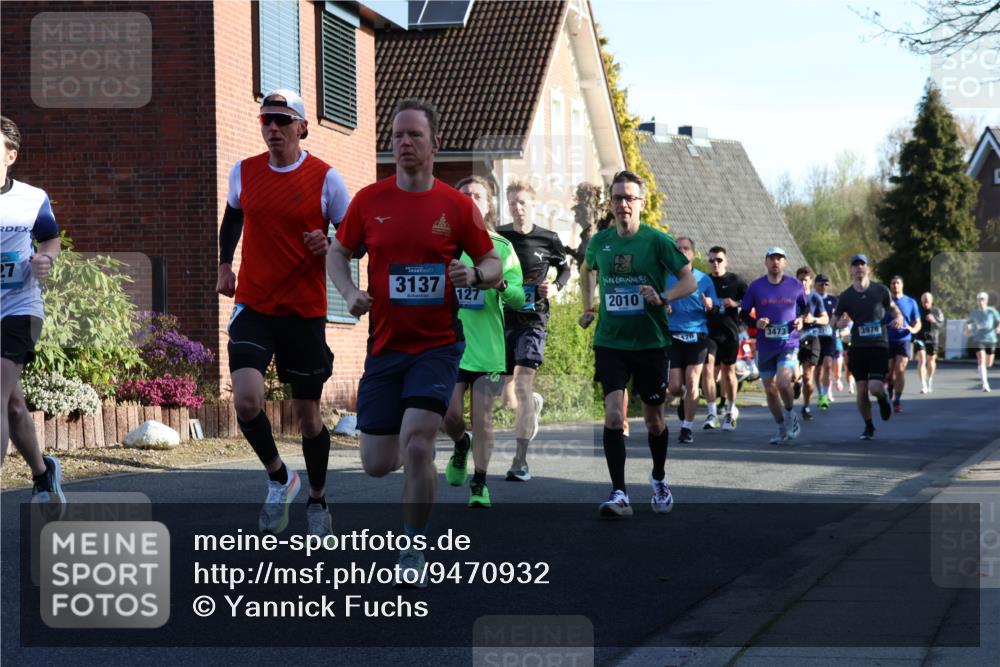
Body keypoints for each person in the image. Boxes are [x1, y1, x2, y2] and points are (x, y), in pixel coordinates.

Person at [328, 98, 500, 584]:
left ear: (434, 143)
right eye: (398, 135)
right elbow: (338, 254)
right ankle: (420, 475)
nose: (404, 143)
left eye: (414, 135)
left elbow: (489, 262)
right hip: (385, 348)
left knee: (418, 443)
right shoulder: (368, 201)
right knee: (376, 464)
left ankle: (413, 546)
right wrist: (348, 291)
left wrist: (474, 273)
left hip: (437, 346)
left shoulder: (457, 206)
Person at [217, 90, 349, 536]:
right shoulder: (244, 171)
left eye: (281, 120)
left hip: (303, 311)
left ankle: (317, 500)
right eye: (265, 120)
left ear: (302, 127)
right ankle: (279, 478)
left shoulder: (327, 179)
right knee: (247, 399)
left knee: (308, 419)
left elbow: (353, 243)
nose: (272, 127)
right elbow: (232, 217)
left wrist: (329, 245)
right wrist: (224, 266)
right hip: (253, 303)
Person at [579, 170, 695, 517]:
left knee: (654, 420)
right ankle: (619, 493)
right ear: (611, 204)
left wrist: (662, 295)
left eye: (630, 198)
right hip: (611, 343)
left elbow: (688, 281)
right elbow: (587, 270)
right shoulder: (600, 242)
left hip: (651, 343)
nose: (623, 204)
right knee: (615, 416)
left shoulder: (656, 241)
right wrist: (588, 306)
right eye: (617, 198)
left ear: (641, 203)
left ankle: (658, 478)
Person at [442, 175, 525, 507]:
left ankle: (479, 483)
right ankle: (461, 444)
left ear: (489, 205)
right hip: (448, 345)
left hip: (487, 349)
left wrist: (501, 285)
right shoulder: (444, 244)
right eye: (464, 195)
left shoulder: (501, 248)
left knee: (483, 418)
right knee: (447, 416)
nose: (470, 199)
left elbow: (521, 299)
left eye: (477, 195)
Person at [0, 116, 64, 507]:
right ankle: (43, 474)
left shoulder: (31, 198)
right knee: (12, 403)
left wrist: (45, 259)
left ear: (10, 155)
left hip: (20, 307)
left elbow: (51, 240)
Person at [496, 181, 570, 481]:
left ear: (533, 205)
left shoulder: (548, 238)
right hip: (503, 319)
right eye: (513, 202)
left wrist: (555, 285)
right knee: (507, 396)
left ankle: (520, 462)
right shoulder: (500, 236)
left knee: (523, 386)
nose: (518, 207)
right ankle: (533, 405)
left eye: (523, 202)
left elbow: (565, 268)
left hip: (534, 320)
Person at [833, 254, 905, 440]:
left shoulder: (880, 290)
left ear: (868, 269)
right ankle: (868, 425)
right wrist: (838, 323)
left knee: (874, 387)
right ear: (851, 270)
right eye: (855, 266)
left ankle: (883, 399)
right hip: (858, 347)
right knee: (862, 389)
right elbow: (834, 319)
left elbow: (893, 308)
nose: (859, 269)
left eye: (862, 265)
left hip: (878, 345)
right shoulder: (846, 296)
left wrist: (898, 317)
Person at [740, 247, 807, 445]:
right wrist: (756, 323)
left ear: (785, 262)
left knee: (783, 382)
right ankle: (780, 427)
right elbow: (743, 313)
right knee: (769, 389)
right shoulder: (756, 287)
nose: (775, 262)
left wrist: (802, 320)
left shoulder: (795, 285)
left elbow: (805, 308)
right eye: (771, 258)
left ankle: (790, 414)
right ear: (766, 262)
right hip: (765, 344)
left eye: (779, 259)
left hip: (789, 341)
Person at [665, 237, 718, 443]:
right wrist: (663, 306)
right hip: (673, 335)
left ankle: (686, 427)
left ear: (693, 254)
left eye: (686, 248)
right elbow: (656, 302)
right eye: (678, 249)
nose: (682, 251)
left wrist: (710, 306)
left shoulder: (704, 280)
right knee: (675, 387)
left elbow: (716, 309)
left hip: (697, 335)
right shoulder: (666, 277)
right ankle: (685, 398)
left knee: (692, 380)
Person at [705, 246, 748, 431]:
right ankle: (712, 413)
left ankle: (731, 409)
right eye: (712, 260)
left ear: (726, 261)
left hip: (729, 333)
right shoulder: (704, 280)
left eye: (719, 260)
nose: (715, 263)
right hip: (708, 332)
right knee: (708, 369)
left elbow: (750, 302)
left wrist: (735, 303)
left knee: (728, 372)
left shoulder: (736, 281)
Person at [793, 267, 829, 421]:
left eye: (806, 279)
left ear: (811, 281)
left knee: (809, 379)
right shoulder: (791, 296)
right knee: (794, 375)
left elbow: (825, 319)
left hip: (812, 338)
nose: (803, 282)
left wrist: (813, 319)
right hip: (794, 339)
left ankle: (806, 406)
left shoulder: (815, 298)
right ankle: (796, 382)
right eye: (801, 279)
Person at [885, 276, 921, 413]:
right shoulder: (886, 303)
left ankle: (897, 400)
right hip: (888, 340)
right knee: (889, 372)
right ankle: (889, 384)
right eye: (892, 283)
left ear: (902, 285)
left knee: (900, 368)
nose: (895, 285)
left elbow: (917, 322)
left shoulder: (910, 302)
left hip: (904, 339)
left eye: (897, 283)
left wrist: (913, 329)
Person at [814, 274, 840, 409]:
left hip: (830, 337)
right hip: (816, 338)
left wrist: (842, 325)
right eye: (821, 284)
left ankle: (824, 395)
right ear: (815, 285)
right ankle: (820, 393)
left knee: (828, 364)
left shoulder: (834, 300)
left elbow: (841, 317)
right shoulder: (811, 299)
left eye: (826, 284)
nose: (823, 286)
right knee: (817, 369)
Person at [966, 292, 1000, 392]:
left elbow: (999, 321)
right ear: (977, 301)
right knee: (981, 359)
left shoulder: (992, 311)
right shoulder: (974, 312)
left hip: (991, 339)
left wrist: (998, 328)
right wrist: (968, 328)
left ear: (986, 301)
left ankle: (982, 370)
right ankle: (985, 384)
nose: (981, 301)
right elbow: (970, 324)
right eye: (979, 299)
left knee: (989, 363)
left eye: (983, 299)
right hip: (978, 339)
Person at [915, 292, 944, 394]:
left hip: (932, 337)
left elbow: (941, 324)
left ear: (931, 301)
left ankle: (930, 380)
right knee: (922, 360)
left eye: (927, 300)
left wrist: (934, 320)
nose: (925, 301)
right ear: (921, 301)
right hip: (920, 338)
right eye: (924, 299)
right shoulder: (917, 310)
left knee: (931, 360)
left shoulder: (936, 310)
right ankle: (923, 385)